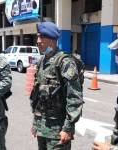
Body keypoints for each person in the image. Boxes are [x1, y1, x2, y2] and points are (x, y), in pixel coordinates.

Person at [30, 22, 84, 150]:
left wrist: (68, 128)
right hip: (42, 129)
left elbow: (74, 98)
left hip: (58, 132)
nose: (38, 41)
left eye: (42, 37)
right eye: (37, 37)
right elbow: (38, 97)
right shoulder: (42, 61)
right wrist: (36, 123)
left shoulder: (65, 62)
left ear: (52, 39)